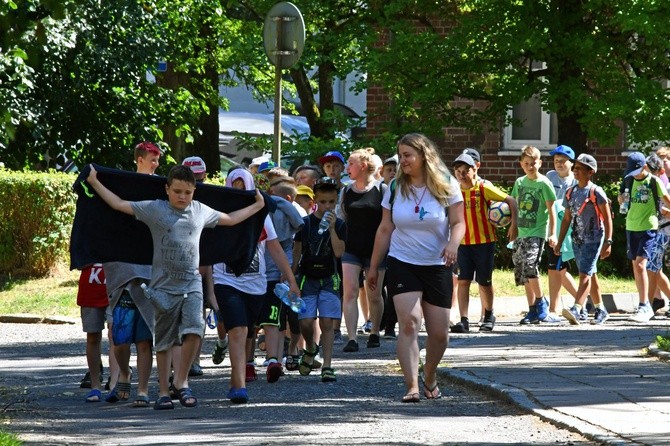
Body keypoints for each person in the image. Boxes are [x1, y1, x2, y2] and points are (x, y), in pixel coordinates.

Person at [86, 164, 265, 410]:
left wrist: (258, 205)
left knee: (195, 330)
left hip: (191, 283)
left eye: (188, 192)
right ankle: (162, 391)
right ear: (167, 189)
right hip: (162, 286)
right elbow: (118, 204)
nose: (182, 197)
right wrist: (95, 182)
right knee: (165, 340)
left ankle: (181, 380)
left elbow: (232, 219)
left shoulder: (200, 211)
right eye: (177, 191)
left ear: (194, 192)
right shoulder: (155, 210)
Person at [368, 133, 465, 403]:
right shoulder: (395, 187)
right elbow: (385, 228)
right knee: (409, 323)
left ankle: (430, 377)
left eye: (408, 155)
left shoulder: (447, 184)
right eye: (400, 156)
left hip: (437, 264)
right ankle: (411, 386)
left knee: (439, 334)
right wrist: (374, 266)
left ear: (423, 156)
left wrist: (453, 245)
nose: (403, 161)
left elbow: (458, 222)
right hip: (402, 262)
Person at [211, 168, 300, 403]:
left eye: (244, 190)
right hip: (226, 280)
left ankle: (237, 377)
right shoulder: (219, 212)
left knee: (248, 329)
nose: (240, 194)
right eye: (235, 189)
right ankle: (238, 383)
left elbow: (275, 248)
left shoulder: (262, 214)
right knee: (237, 330)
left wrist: (291, 280)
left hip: (256, 285)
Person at [102, 141, 161, 407]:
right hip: (124, 276)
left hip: (150, 275)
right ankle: (124, 372)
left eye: (158, 159)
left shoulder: (161, 190)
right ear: (139, 159)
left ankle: (143, 389)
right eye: (152, 159)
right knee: (121, 339)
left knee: (146, 339)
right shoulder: (121, 187)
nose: (156, 164)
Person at [451, 153, 518, 333]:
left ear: (474, 170)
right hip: (463, 244)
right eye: (458, 171)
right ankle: (464, 319)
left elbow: (511, 200)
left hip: (484, 243)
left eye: (466, 171)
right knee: (463, 280)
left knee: (484, 281)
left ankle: (488, 315)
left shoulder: (482, 188)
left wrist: (514, 224)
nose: (461, 175)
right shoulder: (454, 192)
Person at [292, 177, 346, 382]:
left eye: (331, 202)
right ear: (315, 200)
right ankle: (311, 347)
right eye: (323, 202)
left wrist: (332, 229)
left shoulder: (339, 225)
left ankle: (328, 364)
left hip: (329, 278)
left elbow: (339, 253)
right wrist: (292, 278)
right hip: (307, 278)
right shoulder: (304, 223)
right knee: (305, 322)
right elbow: (297, 252)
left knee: (327, 322)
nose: (327, 206)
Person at [555, 154, 613, 325]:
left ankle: (577, 308)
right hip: (577, 239)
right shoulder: (570, 192)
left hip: (594, 239)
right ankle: (601, 309)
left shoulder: (596, 191)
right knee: (591, 273)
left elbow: (607, 218)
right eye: (575, 168)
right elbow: (566, 219)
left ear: (591, 172)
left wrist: (608, 242)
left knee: (584, 275)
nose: (575, 171)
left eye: (580, 169)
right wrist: (559, 242)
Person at [339, 148, 387, 352]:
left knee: (374, 294)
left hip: (376, 250)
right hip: (352, 249)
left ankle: (374, 331)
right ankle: (352, 338)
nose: (347, 167)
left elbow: (387, 222)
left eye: (351, 163)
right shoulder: (346, 191)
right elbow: (341, 217)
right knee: (349, 291)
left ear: (363, 166)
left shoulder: (382, 190)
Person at [619, 152, 670, 323]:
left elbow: (667, 200)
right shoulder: (628, 180)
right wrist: (621, 200)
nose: (634, 175)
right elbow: (623, 200)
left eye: (637, 171)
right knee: (636, 266)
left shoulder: (654, 182)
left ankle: (644, 305)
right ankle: (644, 304)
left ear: (645, 167)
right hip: (631, 227)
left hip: (649, 227)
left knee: (642, 265)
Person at [511, 145, 557, 324]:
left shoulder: (544, 183)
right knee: (522, 271)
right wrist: (513, 226)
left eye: (534, 163)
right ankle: (532, 309)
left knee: (531, 266)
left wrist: (552, 234)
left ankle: (541, 304)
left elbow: (551, 211)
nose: (531, 166)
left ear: (540, 163)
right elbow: (514, 205)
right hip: (521, 233)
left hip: (536, 232)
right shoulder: (519, 183)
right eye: (527, 163)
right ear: (521, 164)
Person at [544, 145, 581, 323]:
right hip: (552, 229)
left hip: (567, 232)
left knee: (557, 268)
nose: (558, 164)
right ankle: (582, 301)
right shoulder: (549, 177)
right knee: (558, 268)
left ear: (571, 163)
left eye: (562, 161)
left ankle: (554, 309)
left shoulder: (575, 181)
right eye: (556, 161)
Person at [78, 263, 115, 402]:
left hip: (115, 288)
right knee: (92, 336)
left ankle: (114, 384)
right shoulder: (86, 240)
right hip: (90, 290)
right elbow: (77, 261)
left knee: (115, 336)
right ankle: (95, 385)